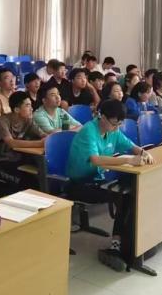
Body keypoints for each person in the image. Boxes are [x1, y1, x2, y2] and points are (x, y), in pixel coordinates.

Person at [66, 99, 154, 271]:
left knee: (130, 193)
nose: (116, 128)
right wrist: (129, 160)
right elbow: (95, 160)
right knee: (124, 197)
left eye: (120, 124)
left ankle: (127, 244)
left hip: (98, 179)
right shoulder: (89, 131)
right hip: (80, 184)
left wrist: (144, 153)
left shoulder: (113, 130)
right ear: (102, 117)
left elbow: (130, 145)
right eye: (114, 123)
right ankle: (117, 246)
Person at [0, 91, 45, 185]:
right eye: (27, 105)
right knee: (28, 181)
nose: (31, 109)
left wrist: (49, 139)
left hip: (15, 159)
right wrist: (39, 143)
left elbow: (43, 135)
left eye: (31, 105)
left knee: (41, 170)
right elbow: (11, 143)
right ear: (16, 109)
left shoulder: (28, 120)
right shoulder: (2, 122)